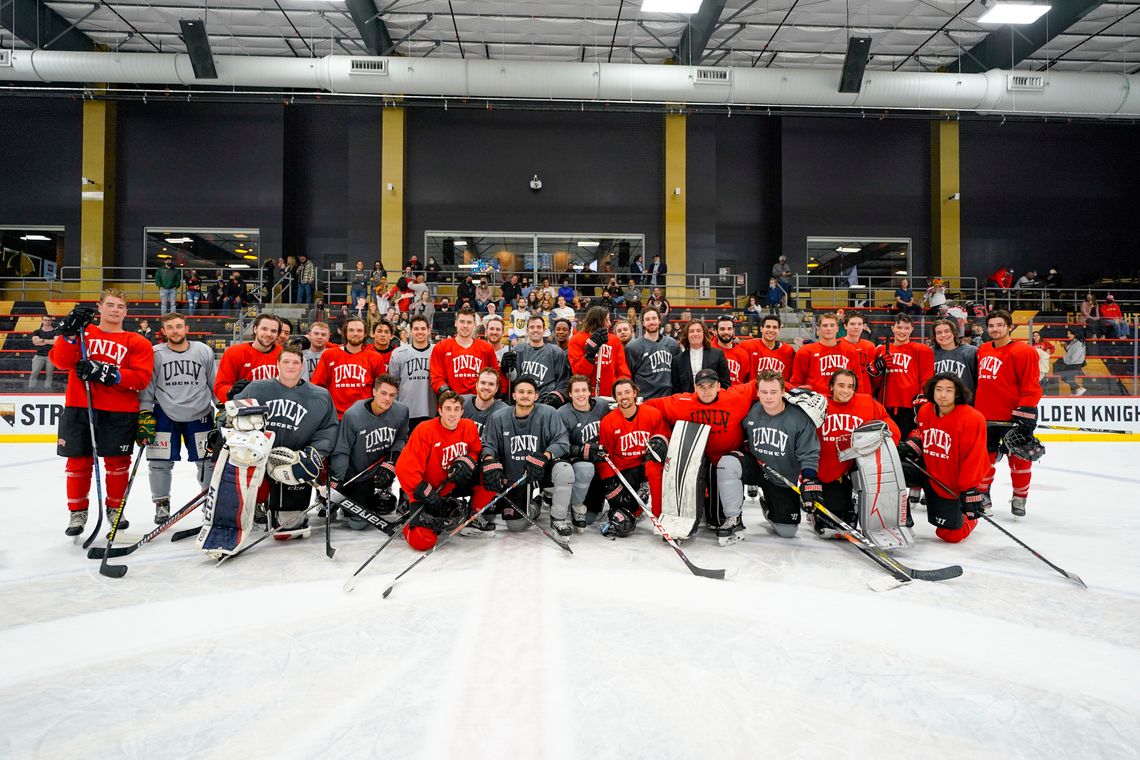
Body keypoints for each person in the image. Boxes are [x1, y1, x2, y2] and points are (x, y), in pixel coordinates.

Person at [49, 291, 155, 536]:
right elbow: (61, 362)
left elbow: (141, 379)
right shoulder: (84, 334)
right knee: (78, 461)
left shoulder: (136, 341)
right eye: (110, 305)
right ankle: (77, 512)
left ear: (126, 312)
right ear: (100, 307)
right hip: (80, 405)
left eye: (120, 306)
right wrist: (69, 335)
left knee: (118, 464)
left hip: (119, 410)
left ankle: (115, 509)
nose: (115, 310)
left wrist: (110, 373)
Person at [228, 345, 339, 540]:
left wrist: (312, 454)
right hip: (258, 458)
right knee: (244, 497)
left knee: (286, 531)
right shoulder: (256, 388)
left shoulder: (320, 395)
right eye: (286, 361)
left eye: (295, 362)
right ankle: (257, 505)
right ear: (277, 364)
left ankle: (285, 510)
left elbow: (328, 430)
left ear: (302, 365)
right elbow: (233, 417)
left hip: (293, 462)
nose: (291, 366)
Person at [716, 370, 820, 542]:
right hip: (757, 466)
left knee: (787, 531)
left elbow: (808, 452)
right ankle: (733, 518)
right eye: (764, 392)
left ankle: (769, 506)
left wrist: (809, 480)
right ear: (757, 392)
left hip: (782, 477)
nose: (768, 397)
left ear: (783, 392)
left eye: (773, 392)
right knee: (727, 463)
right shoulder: (750, 412)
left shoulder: (800, 418)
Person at [139, 312, 217, 523]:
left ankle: (209, 499)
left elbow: (214, 382)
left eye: (179, 326)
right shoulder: (155, 353)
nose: (175, 330)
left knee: (207, 461)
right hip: (164, 413)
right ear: (163, 331)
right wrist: (144, 413)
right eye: (170, 327)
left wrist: (222, 407)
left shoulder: (203, 350)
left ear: (187, 329)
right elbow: (148, 387)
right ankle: (161, 503)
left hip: (200, 412)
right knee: (159, 462)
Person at [396, 391, 498, 547]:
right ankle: (408, 516)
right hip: (429, 490)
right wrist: (422, 491)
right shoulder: (425, 430)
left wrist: (468, 461)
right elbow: (405, 467)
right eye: (448, 409)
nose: (452, 414)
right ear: (440, 410)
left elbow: (475, 451)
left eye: (456, 409)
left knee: (491, 473)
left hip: (453, 482)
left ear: (462, 412)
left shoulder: (468, 426)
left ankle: (473, 517)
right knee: (422, 542)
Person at [897, 373, 990, 543]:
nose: (942, 394)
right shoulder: (926, 411)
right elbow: (923, 434)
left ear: (957, 393)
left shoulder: (972, 418)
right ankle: (901, 519)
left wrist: (968, 489)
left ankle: (969, 519)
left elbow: (974, 457)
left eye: (948, 390)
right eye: (938, 389)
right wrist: (914, 443)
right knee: (891, 470)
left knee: (949, 535)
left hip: (950, 482)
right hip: (928, 472)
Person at [480, 375, 575, 537]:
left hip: (541, 470)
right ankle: (536, 505)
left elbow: (562, 442)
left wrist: (544, 456)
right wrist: (489, 461)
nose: (525, 395)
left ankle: (558, 519)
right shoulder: (499, 417)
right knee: (515, 526)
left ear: (536, 396)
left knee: (565, 470)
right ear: (514, 395)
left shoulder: (549, 413)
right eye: (521, 392)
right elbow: (488, 445)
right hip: (516, 477)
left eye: (530, 392)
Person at [975, 310, 1043, 517]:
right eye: (992, 325)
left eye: (1000, 325)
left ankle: (1020, 498)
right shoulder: (983, 349)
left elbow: (1031, 385)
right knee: (984, 460)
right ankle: (983, 496)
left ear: (1009, 327)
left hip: (1014, 416)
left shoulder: (1024, 351)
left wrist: (1027, 409)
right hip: (985, 416)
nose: (995, 329)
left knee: (1020, 458)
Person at [815, 369, 899, 530]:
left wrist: (879, 443)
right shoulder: (819, 404)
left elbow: (888, 425)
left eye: (850, 386)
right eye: (841, 385)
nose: (846, 391)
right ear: (831, 386)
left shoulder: (867, 402)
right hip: (829, 470)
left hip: (860, 468)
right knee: (833, 522)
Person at [329, 373, 410, 531]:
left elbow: (401, 439)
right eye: (383, 393)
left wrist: (391, 463)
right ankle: (345, 498)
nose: (387, 399)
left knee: (385, 506)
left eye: (392, 395)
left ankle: (391, 493)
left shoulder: (401, 411)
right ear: (374, 392)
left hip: (382, 467)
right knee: (358, 523)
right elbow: (342, 450)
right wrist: (337, 479)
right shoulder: (353, 415)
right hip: (358, 474)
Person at [595, 378, 670, 536]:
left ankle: (659, 513)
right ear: (615, 398)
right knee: (625, 510)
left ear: (635, 393)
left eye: (627, 392)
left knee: (654, 465)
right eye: (619, 394)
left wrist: (661, 443)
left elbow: (664, 438)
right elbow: (604, 455)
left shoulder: (652, 414)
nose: (624, 397)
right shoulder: (608, 422)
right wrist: (609, 484)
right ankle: (636, 505)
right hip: (623, 471)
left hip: (645, 465)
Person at [557, 374, 611, 529]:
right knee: (586, 469)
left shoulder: (602, 406)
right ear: (570, 394)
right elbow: (561, 445)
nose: (580, 394)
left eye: (583, 390)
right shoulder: (563, 414)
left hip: (601, 460)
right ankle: (574, 505)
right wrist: (582, 450)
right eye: (576, 391)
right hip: (578, 461)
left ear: (590, 392)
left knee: (591, 518)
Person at [868, 314, 935, 440]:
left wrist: (922, 398)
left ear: (912, 329)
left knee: (906, 445)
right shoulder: (882, 350)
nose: (902, 331)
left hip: (910, 406)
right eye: (899, 327)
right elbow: (876, 384)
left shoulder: (922, 350)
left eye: (906, 328)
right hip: (885, 405)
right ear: (893, 328)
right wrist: (876, 368)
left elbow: (927, 378)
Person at [311, 317, 387, 419]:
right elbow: (317, 387)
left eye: (359, 330)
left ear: (365, 334)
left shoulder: (375, 357)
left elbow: (381, 389)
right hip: (335, 417)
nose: (355, 333)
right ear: (345, 333)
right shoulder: (329, 355)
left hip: (364, 416)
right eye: (351, 330)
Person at [430, 307, 502, 396]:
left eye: (469, 322)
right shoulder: (441, 347)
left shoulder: (486, 348)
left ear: (474, 325)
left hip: (479, 402)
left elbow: (495, 375)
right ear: (456, 323)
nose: (465, 326)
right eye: (462, 321)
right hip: (452, 403)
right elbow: (436, 377)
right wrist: (446, 393)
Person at [214, 313, 281, 401]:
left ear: (278, 334)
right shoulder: (234, 353)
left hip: (277, 408)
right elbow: (220, 386)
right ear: (255, 329)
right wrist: (231, 391)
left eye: (273, 331)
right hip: (245, 409)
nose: (269, 334)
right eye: (264, 329)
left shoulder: (284, 354)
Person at [568, 306, 632, 398]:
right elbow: (579, 374)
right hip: (588, 397)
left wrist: (620, 391)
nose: (609, 324)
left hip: (611, 395)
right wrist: (589, 356)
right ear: (597, 321)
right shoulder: (576, 340)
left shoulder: (614, 340)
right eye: (606, 320)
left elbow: (623, 371)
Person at [387, 314, 437, 431]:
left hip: (431, 410)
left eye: (423, 329)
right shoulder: (399, 353)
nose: (420, 332)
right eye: (416, 329)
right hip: (406, 411)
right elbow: (393, 383)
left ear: (429, 330)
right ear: (410, 331)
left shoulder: (437, 351)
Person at [790, 312, 860, 394]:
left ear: (837, 328)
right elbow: (796, 382)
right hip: (814, 402)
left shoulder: (850, 351)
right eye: (825, 325)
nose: (829, 328)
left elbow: (857, 382)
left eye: (832, 325)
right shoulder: (805, 351)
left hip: (843, 401)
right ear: (819, 329)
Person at [507, 315, 570, 402]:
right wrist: (506, 369)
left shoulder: (556, 352)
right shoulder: (518, 350)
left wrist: (557, 396)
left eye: (539, 327)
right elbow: (512, 379)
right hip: (522, 401)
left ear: (544, 330)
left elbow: (563, 381)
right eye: (532, 327)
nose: (535, 330)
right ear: (527, 330)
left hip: (546, 403)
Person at [623, 306, 680, 400]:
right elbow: (629, 378)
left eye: (654, 318)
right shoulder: (632, 347)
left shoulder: (672, 344)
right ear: (643, 323)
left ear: (659, 321)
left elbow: (677, 375)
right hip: (645, 400)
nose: (651, 322)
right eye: (647, 319)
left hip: (668, 400)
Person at [672, 320, 730, 392]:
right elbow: (676, 389)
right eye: (691, 331)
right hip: (687, 401)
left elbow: (725, 385)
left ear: (704, 334)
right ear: (687, 335)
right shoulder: (677, 360)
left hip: (713, 401)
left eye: (698, 331)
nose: (695, 334)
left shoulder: (718, 355)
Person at [737, 315, 796, 382]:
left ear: (779, 330)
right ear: (761, 329)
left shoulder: (788, 351)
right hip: (753, 390)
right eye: (768, 327)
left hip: (777, 391)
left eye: (775, 327)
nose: (771, 330)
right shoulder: (747, 346)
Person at [932, 318, 979, 395]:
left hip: (965, 403)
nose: (943, 335)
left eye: (947, 331)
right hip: (939, 402)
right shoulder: (929, 353)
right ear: (934, 336)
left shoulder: (971, 352)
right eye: (939, 332)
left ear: (954, 333)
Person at [462, 367, 508, 435]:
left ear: (496, 388)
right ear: (477, 385)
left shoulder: (503, 412)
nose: (486, 387)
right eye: (483, 383)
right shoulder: (461, 403)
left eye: (491, 384)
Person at [841, 311, 876, 394]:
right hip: (843, 393)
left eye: (859, 324)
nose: (856, 327)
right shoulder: (837, 345)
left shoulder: (870, 346)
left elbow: (873, 375)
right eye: (852, 324)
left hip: (865, 392)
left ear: (863, 326)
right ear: (845, 326)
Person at [714, 316, 751, 384]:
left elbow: (745, 382)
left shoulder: (742, 354)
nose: (726, 332)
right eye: (722, 329)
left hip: (735, 393)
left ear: (733, 331)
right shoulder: (708, 349)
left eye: (729, 329)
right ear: (716, 331)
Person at [1054, 327, 1087, 396]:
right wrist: (1065, 346)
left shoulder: (1079, 343)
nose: (1068, 335)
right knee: (1069, 378)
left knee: (1065, 377)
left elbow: (1074, 357)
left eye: (1069, 334)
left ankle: (1079, 389)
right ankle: (1073, 393)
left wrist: (1064, 358)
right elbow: (1070, 352)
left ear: (1074, 334)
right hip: (1072, 363)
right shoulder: (1074, 342)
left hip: (1074, 364)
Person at [28, 314, 57, 389]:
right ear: (42, 321)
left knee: (49, 374)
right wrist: (50, 341)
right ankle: (31, 388)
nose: (47, 322)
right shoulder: (37, 331)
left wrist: (43, 340)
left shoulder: (56, 331)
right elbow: (35, 342)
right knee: (34, 373)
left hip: (51, 355)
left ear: (51, 321)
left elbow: (56, 342)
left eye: (49, 320)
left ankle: (47, 389)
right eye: (45, 320)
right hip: (39, 355)